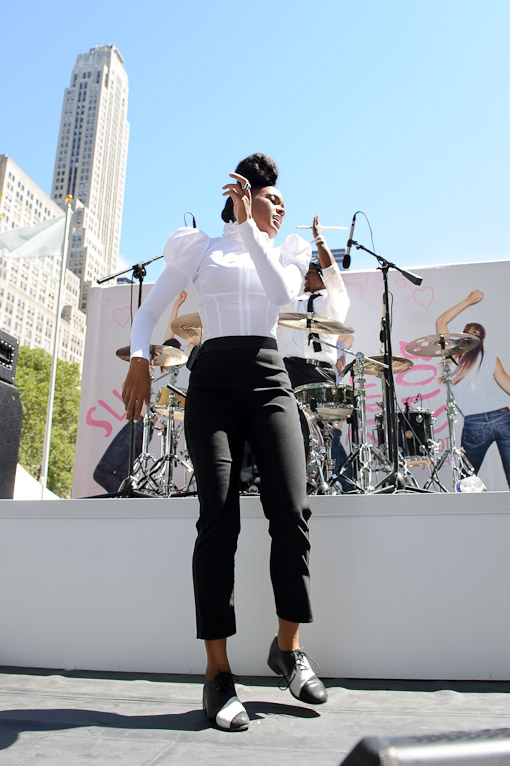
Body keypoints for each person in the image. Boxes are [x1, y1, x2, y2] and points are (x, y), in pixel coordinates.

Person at [122, 154, 327, 732]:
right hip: (211, 380)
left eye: (283, 200)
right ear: (245, 194)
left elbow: (283, 297)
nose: (280, 205)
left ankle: (287, 648)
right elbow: (151, 312)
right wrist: (140, 359)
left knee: (290, 513)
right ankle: (218, 674)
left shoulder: (286, 251)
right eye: (271, 197)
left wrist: (249, 228)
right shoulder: (200, 249)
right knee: (218, 520)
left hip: (268, 376)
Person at [436, 289, 510, 488]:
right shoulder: (490, 357)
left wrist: (468, 301)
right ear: (482, 340)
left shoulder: (453, 358)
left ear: (462, 337)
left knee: (466, 480)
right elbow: (508, 386)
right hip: (503, 418)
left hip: (476, 424)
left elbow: (441, 321)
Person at [283, 216, 350, 388]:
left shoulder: (334, 301)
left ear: (321, 277)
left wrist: (319, 240)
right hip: (292, 367)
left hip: (321, 371)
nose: (305, 276)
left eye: (310, 272)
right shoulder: (298, 302)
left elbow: (333, 274)